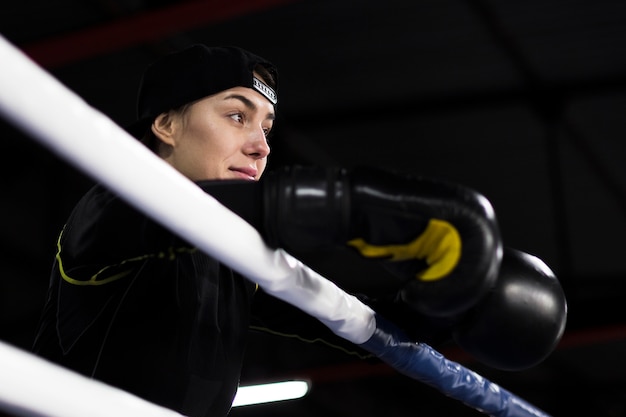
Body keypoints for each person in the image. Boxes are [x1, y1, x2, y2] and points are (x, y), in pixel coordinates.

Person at [32, 44, 567, 417]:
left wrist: (449, 309)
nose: (261, 145)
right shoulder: (111, 209)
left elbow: (339, 320)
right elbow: (243, 208)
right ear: (166, 124)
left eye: (266, 126)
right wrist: (372, 210)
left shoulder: (234, 257)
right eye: (237, 116)